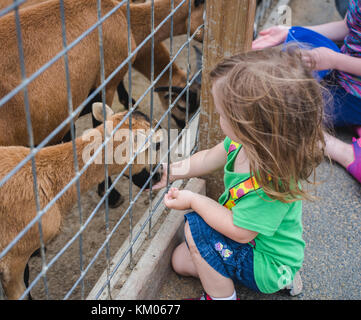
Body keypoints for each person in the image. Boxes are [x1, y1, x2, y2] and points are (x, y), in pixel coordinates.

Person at [152, 48, 326, 300]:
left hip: (266, 262)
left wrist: (194, 200)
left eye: (222, 114)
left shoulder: (271, 181)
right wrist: (171, 172)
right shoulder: (245, 144)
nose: (218, 118)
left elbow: (240, 231)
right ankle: (241, 274)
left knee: (196, 229)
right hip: (253, 244)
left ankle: (222, 297)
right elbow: (208, 158)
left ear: (249, 125)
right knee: (180, 260)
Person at [252, 0, 361, 183]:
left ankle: (337, 149)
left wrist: (334, 60)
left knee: (278, 111)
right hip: (344, 72)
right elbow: (348, 26)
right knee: (296, 40)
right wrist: (290, 31)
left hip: (354, 93)